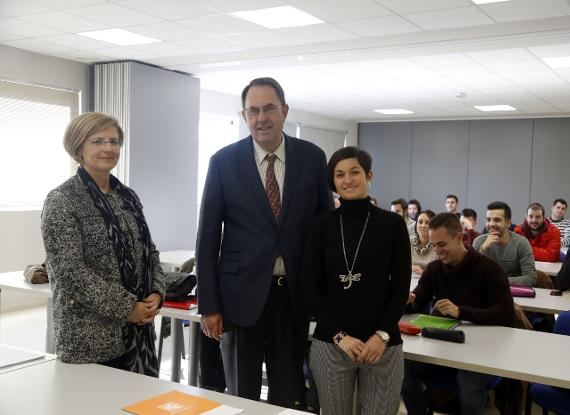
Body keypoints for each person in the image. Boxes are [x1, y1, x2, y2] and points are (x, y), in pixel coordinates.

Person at [195, 77, 333, 409]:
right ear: (244, 116)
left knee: (289, 394)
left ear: (285, 111)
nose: (262, 118)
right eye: (253, 110)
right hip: (238, 299)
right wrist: (209, 305)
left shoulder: (312, 158)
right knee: (242, 393)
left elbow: (324, 231)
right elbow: (208, 237)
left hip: (293, 297)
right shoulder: (223, 162)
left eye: (269, 108)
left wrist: (325, 297)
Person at [41, 112, 165, 375]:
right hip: (90, 339)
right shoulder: (63, 200)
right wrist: (127, 308)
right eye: (97, 141)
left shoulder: (127, 197)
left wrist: (156, 291)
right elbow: (70, 273)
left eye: (114, 141)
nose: (108, 148)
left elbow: (149, 252)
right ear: (79, 148)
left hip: (138, 335)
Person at [302, 147, 411, 415]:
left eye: (354, 172)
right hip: (332, 344)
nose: (347, 180)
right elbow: (309, 285)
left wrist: (381, 335)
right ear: (333, 181)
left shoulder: (392, 224)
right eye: (339, 174)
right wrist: (340, 337)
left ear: (369, 175)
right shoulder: (320, 225)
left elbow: (400, 286)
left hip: (381, 345)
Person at [403, 213, 514, 415]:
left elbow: (506, 313)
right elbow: (419, 299)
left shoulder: (488, 269)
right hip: (446, 344)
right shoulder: (435, 269)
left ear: (459, 237)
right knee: (404, 368)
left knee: (469, 382)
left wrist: (461, 311)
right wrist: (406, 300)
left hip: (483, 349)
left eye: (442, 245)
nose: (437, 251)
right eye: (434, 245)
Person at [473, 201, 537, 287]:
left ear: (508, 223)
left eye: (497, 220)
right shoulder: (479, 242)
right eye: (488, 219)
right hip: (486, 294)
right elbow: (472, 276)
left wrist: (498, 280)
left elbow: (531, 278)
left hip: (515, 295)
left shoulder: (521, 243)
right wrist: (483, 250)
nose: (491, 224)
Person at [411, 210, 437, 275]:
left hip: (430, 283)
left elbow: (441, 274)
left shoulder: (438, 245)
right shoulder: (409, 242)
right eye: (420, 222)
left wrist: (423, 273)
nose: (423, 225)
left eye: (427, 223)